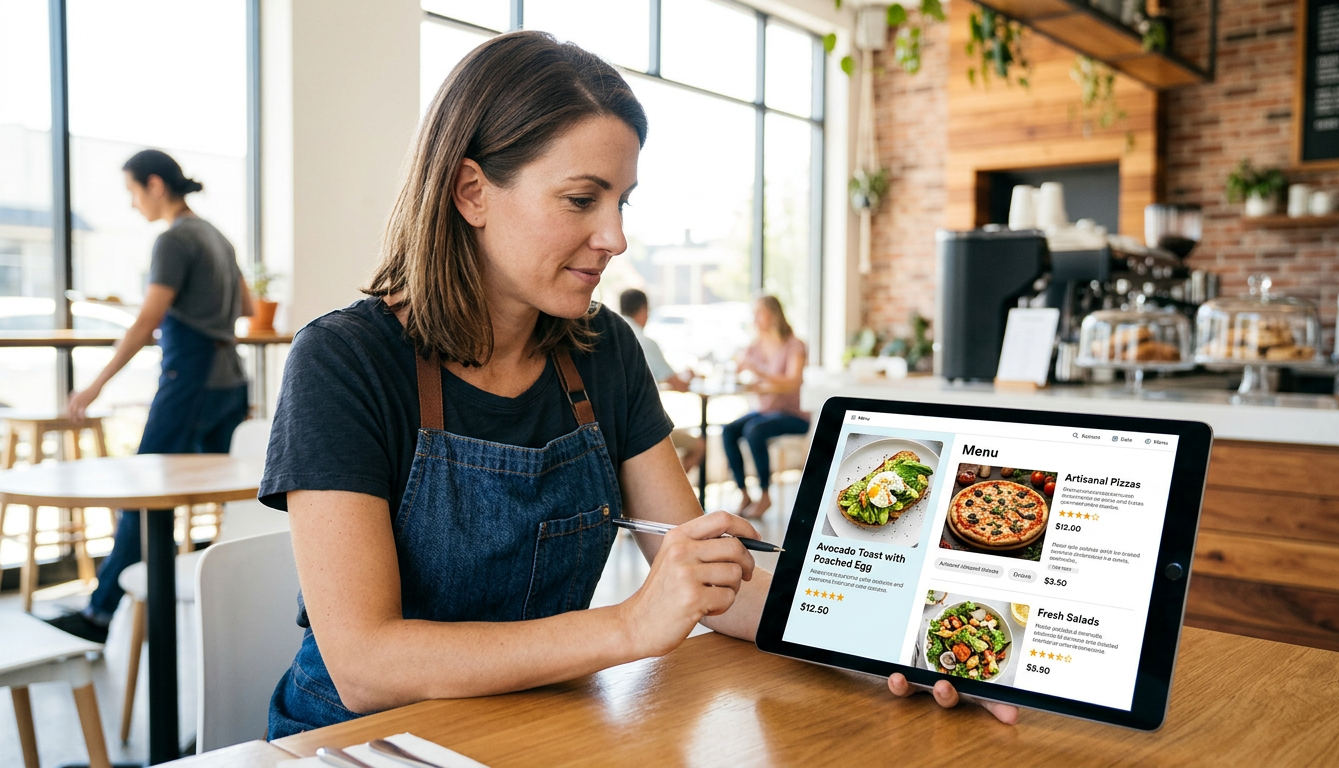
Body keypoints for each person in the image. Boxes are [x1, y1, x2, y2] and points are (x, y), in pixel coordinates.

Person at [259, 31, 1013, 736]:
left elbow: (714, 584)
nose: (615, 237)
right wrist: (629, 626)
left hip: (533, 727)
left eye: (622, 202)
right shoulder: (345, 362)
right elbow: (365, 665)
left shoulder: (602, 350)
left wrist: (901, 643)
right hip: (356, 741)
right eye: (582, 199)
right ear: (471, 192)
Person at [47, 149, 252, 642]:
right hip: (229, 380)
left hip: (190, 382)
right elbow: (244, 304)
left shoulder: (175, 239)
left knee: (142, 495)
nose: (132, 204)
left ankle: (98, 614)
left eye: (132, 192)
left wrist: (94, 385)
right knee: (238, 506)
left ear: (155, 185)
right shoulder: (216, 236)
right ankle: (245, 606)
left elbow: (147, 320)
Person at [720, 296, 809, 520]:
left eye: (759, 313)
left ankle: (766, 494)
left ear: (773, 314)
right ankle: (744, 493)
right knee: (729, 430)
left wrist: (758, 373)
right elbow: (739, 366)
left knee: (754, 430)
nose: (755, 318)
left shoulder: (794, 345)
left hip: (793, 415)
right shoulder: (756, 345)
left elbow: (793, 381)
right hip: (765, 413)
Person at [618, 287, 702, 471]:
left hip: (615, 430)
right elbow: (679, 385)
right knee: (699, 445)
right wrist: (689, 375)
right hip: (642, 430)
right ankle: (669, 496)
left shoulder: (614, 336)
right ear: (644, 310)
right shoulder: (642, 341)